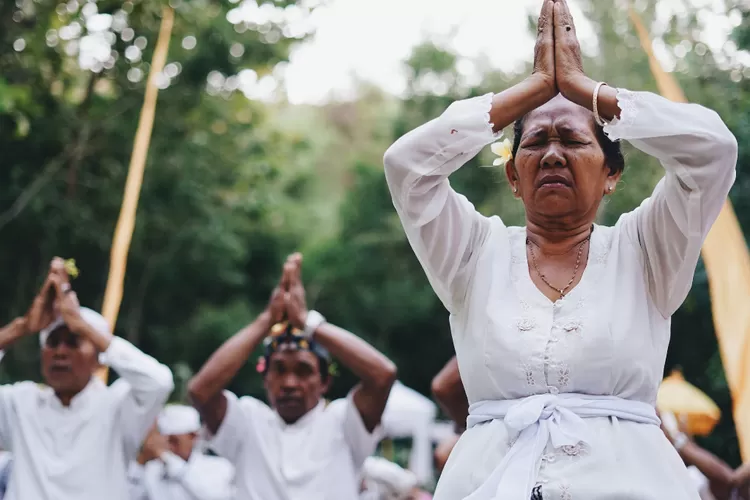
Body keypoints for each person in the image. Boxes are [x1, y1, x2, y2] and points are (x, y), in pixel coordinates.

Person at [383, 0, 738, 496]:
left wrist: (584, 90)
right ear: (512, 175)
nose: (552, 153)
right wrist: (530, 90)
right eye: (535, 142)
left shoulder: (648, 249)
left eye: (572, 139)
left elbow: (714, 150)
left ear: (612, 173)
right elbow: (406, 167)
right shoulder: (473, 253)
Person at [188, 253, 398, 500]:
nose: (289, 383)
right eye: (279, 370)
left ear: (325, 382)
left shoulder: (343, 421)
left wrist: (309, 323)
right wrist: (266, 320)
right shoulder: (247, 419)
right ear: (265, 378)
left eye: (303, 371)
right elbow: (200, 390)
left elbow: (383, 374)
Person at [0, 258, 174, 500]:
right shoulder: (20, 404)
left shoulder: (117, 407)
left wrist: (82, 324)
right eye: (52, 342)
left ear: (100, 359)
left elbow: (159, 381)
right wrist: (23, 326)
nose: (60, 352)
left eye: (73, 341)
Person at [128, 405, 235, 500]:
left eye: (173, 441)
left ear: (193, 436)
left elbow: (214, 496)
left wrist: (166, 457)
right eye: (164, 440)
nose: (168, 446)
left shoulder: (219, 467)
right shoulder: (152, 470)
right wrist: (141, 462)